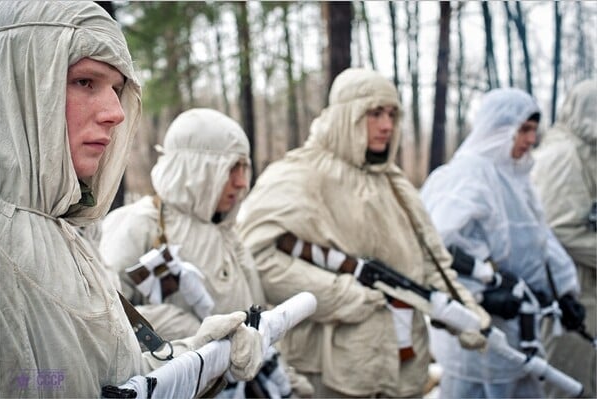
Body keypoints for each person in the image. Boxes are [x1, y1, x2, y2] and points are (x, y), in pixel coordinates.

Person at [0, 2, 262, 396]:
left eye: (118, 90)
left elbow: (112, 375)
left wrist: (201, 352)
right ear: (17, 83)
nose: (115, 112)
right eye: (85, 81)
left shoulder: (65, 235)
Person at [235, 67, 490, 398]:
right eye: (375, 113)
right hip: (330, 371)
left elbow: (431, 261)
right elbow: (255, 257)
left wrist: (465, 312)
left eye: (392, 114)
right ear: (347, 116)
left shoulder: (394, 184)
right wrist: (343, 294)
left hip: (402, 365)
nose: (387, 125)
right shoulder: (299, 174)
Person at [99, 108, 311, 398]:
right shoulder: (138, 225)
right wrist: (181, 326)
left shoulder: (228, 236)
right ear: (197, 169)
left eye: (243, 169)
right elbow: (105, 322)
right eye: (230, 168)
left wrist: (285, 376)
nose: (241, 182)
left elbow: (255, 320)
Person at [419, 87, 583, 398]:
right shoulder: (466, 177)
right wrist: (482, 296)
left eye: (533, 130)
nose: (531, 140)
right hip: (474, 336)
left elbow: (540, 239)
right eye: (524, 129)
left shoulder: (515, 179)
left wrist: (564, 291)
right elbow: (436, 251)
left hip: (518, 330)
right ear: (498, 128)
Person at [531, 79, 597, 398]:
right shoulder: (564, 156)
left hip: (585, 294)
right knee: (568, 384)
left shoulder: (585, 152)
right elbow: (560, 229)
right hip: (570, 296)